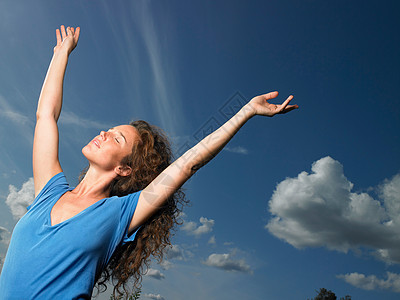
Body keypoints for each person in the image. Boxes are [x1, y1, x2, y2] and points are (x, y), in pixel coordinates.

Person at [0, 25, 298, 299]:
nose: (104, 133)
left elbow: (187, 164)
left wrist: (245, 111)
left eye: (117, 139)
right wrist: (61, 54)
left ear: (124, 169)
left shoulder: (119, 214)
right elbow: (46, 116)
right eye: (111, 130)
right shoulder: (48, 192)